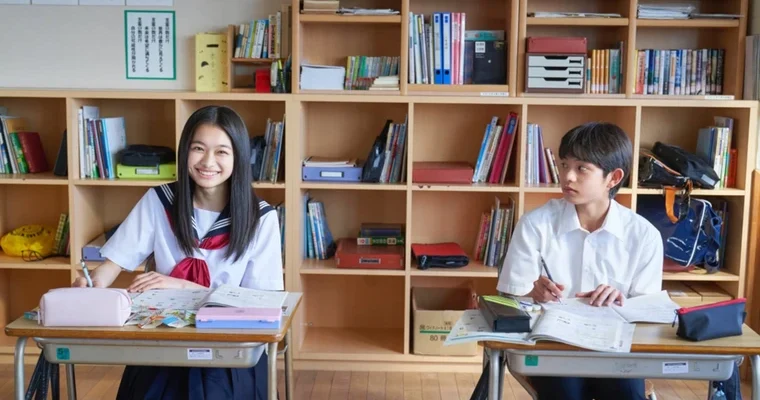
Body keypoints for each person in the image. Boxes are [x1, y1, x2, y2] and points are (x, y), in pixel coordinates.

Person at [72, 105, 283, 400]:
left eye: (222, 152)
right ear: (185, 151)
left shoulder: (261, 218)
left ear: (238, 157)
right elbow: (114, 263)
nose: (208, 162)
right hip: (164, 341)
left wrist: (184, 286)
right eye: (198, 148)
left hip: (231, 351)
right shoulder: (160, 200)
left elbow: (262, 304)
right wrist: (93, 282)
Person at [496, 122, 663, 400]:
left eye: (582, 168)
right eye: (564, 165)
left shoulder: (644, 235)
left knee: (626, 393)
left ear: (613, 178)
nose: (567, 176)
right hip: (554, 347)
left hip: (615, 349)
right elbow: (508, 300)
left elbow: (651, 314)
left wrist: (621, 299)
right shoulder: (536, 224)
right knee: (564, 392)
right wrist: (530, 292)